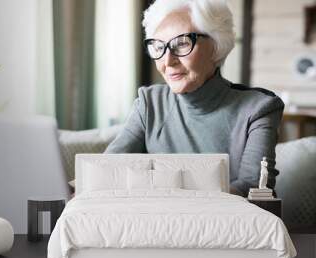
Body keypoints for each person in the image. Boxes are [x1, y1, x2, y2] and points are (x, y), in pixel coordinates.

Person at [104, 0, 284, 197]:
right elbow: (108, 168)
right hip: (152, 221)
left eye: (181, 44)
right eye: (158, 46)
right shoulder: (150, 103)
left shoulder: (258, 109)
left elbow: (252, 188)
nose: (167, 61)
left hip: (224, 223)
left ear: (216, 46)